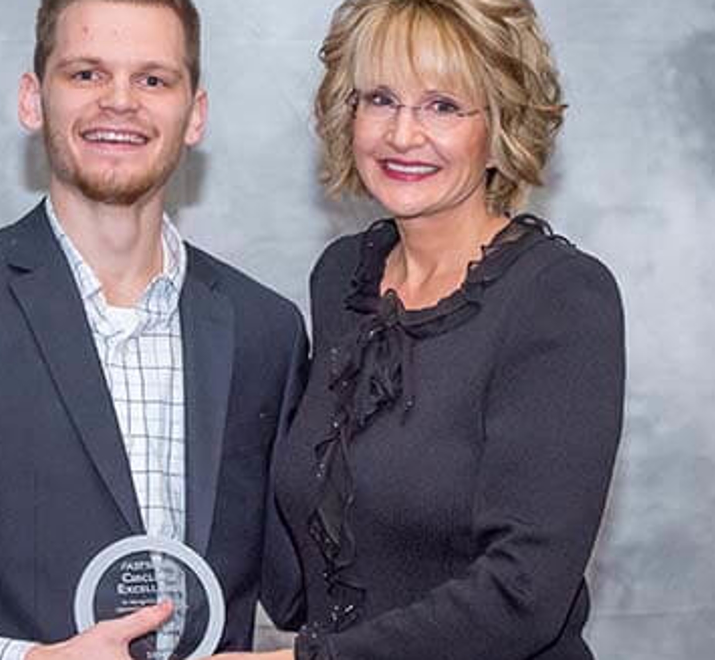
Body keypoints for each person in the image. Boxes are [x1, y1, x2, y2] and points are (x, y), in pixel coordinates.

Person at [0, 1, 307, 659]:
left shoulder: (265, 330)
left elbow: (311, 584)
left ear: (196, 114)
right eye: (86, 74)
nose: (119, 102)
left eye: (153, 79)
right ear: (33, 100)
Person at [212, 1, 625, 659]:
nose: (403, 135)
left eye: (442, 106)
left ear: (500, 123)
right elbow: (309, 556)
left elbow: (525, 593)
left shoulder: (560, 297)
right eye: (380, 98)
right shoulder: (343, 277)